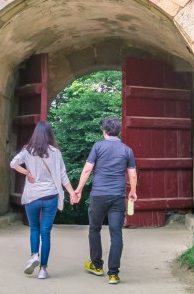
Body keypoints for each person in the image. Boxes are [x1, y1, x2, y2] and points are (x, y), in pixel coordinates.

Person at [10, 121, 79, 280]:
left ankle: (34, 255)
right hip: (50, 196)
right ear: (49, 134)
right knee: (45, 233)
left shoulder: (28, 150)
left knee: (34, 228)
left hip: (33, 196)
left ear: (35, 134)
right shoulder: (55, 152)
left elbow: (13, 163)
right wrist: (72, 193)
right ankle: (43, 270)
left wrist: (27, 173)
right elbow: (63, 175)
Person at [74, 117, 138, 285]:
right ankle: (113, 274)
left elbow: (87, 170)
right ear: (119, 132)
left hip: (98, 195)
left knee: (94, 229)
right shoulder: (127, 150)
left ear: (104, 131)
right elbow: (132, 174)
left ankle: (96, 265)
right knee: (116, 234)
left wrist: (78, 189)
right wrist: (133, 191)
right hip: (118, 196)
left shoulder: (98, 147)